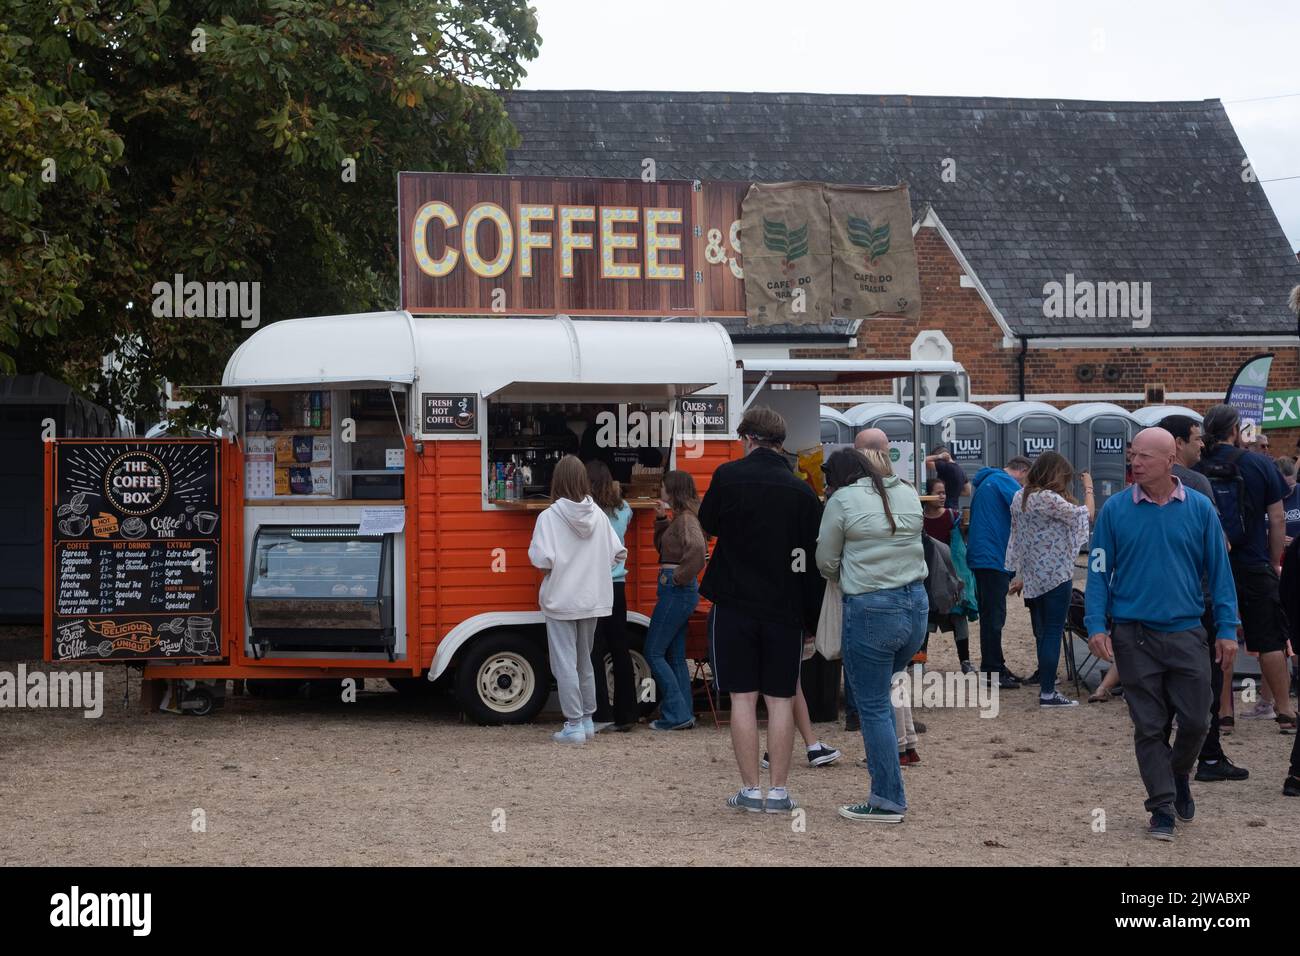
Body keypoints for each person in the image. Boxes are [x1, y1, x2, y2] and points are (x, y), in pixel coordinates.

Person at [1086, 427, 1239, 841]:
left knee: (1196, 720)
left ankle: (1177, 774)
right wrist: (1096, 623)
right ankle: (1161, 808)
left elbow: (1220, 573)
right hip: (1133, 636)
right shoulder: (1115, 510)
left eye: (1144, 457)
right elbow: (1098, 571)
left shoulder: (1201, 509)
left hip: (1187, 631)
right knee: (1149, 725)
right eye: (1132, 456)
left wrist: (1226, 629)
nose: (1134, 463)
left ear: (1170, 461)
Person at [700, 406, 824, 814]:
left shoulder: (727, 477)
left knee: (741, 697)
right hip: (785, 607)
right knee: (781, 699)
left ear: (749, 438)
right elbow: (809, 562)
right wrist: (810, 618)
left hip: (734, 603)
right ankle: (781, 791)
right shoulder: (803, 492)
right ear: (781, 442)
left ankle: (751, 789)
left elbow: (709, 523)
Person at [817, 447, 929, 824]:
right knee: (885, 694)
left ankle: (887, 798)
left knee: (874, 707)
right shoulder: (907, 491)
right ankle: (891, 784)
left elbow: (825, 561)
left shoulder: (843, 500)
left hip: (871, 607)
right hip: (916, 604)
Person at [1157, 414, 1249, 782]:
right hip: (1199, 602)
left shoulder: (1140, 491)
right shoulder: (1195, 484)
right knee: (1203, 684)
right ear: (1176, 444)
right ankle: (1207, 756)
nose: (1201, 445)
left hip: (1162, 605)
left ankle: (1161, 755)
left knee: (1162, 687)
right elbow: (1218, 547)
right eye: (1195, 439)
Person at [1194, 404, 1294, 734]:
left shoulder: (1199, 466)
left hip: (1211, 565)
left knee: (1220, 638)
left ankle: (1224, 713)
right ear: (1235, 430)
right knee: (1269, 640)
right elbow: (1277, 519)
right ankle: (1284, 710)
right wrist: (1274, 561)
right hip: (1253, 562)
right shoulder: (1259, 464)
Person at [528, 455, 628, 744]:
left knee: (565, 663)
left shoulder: (548, 517)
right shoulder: (597, 514)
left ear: (557, 480)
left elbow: (543, 561)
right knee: (585, 661)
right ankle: (586, 719)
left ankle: (572, 724)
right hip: (593, 597)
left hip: (561, 597)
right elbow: (618, 553)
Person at [1005, 451, 1094, 707]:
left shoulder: (1020, 496)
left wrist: (1020, 573)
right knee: (1054, 632)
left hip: (1034, 575)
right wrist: (1088, 486)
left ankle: (1046, 686)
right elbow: (1085, 515)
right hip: (1056, 575)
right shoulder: (1048, 498)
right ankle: (1047, 692)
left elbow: (1018, 536)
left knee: (1043, 633)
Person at [645, 471, 706, 731]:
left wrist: (679, 577)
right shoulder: (680, 518)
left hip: (675, 588)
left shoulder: (686, 520)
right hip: (677, 588)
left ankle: (676, 713)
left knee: (654, 651)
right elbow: (664, 550)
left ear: (673, 490)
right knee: (675, 655)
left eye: (662, 487)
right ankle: (684, 712)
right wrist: (660, 520)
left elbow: (698, 551)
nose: (660, 491)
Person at [966, 456, 1033, 688]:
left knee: (990, 615)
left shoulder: (988, 481)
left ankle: (995, 664)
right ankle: (993, 671)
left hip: (982, 556)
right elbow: (1028, 507)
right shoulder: (1005, 482)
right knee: (994, 617)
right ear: (1023, 472)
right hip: (994, 556)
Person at [586, 460, 637, 732]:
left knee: (594, 648)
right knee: (620, 648)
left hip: (594, 584)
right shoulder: (624, 509)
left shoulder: (588, 513)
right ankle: (627, 713)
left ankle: (599, 712)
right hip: (618, 582)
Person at [922, 477, 974, 672]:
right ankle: (919, 661)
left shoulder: (953, 516)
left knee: (958, 616)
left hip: (951, 575)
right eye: (937, 492)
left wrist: (964, 529)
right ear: (926, 495)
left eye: (944, 492)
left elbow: (963, 544)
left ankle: (965, 661)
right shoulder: (919, 518)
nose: (942, 496)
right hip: (928, 575)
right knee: (926, 618)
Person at [1277, 456, 1299, 545]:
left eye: (1291, 486)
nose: (1288, 491)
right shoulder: (1264, 495)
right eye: (1284, 487)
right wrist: (1271, 535)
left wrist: (1296, 541)